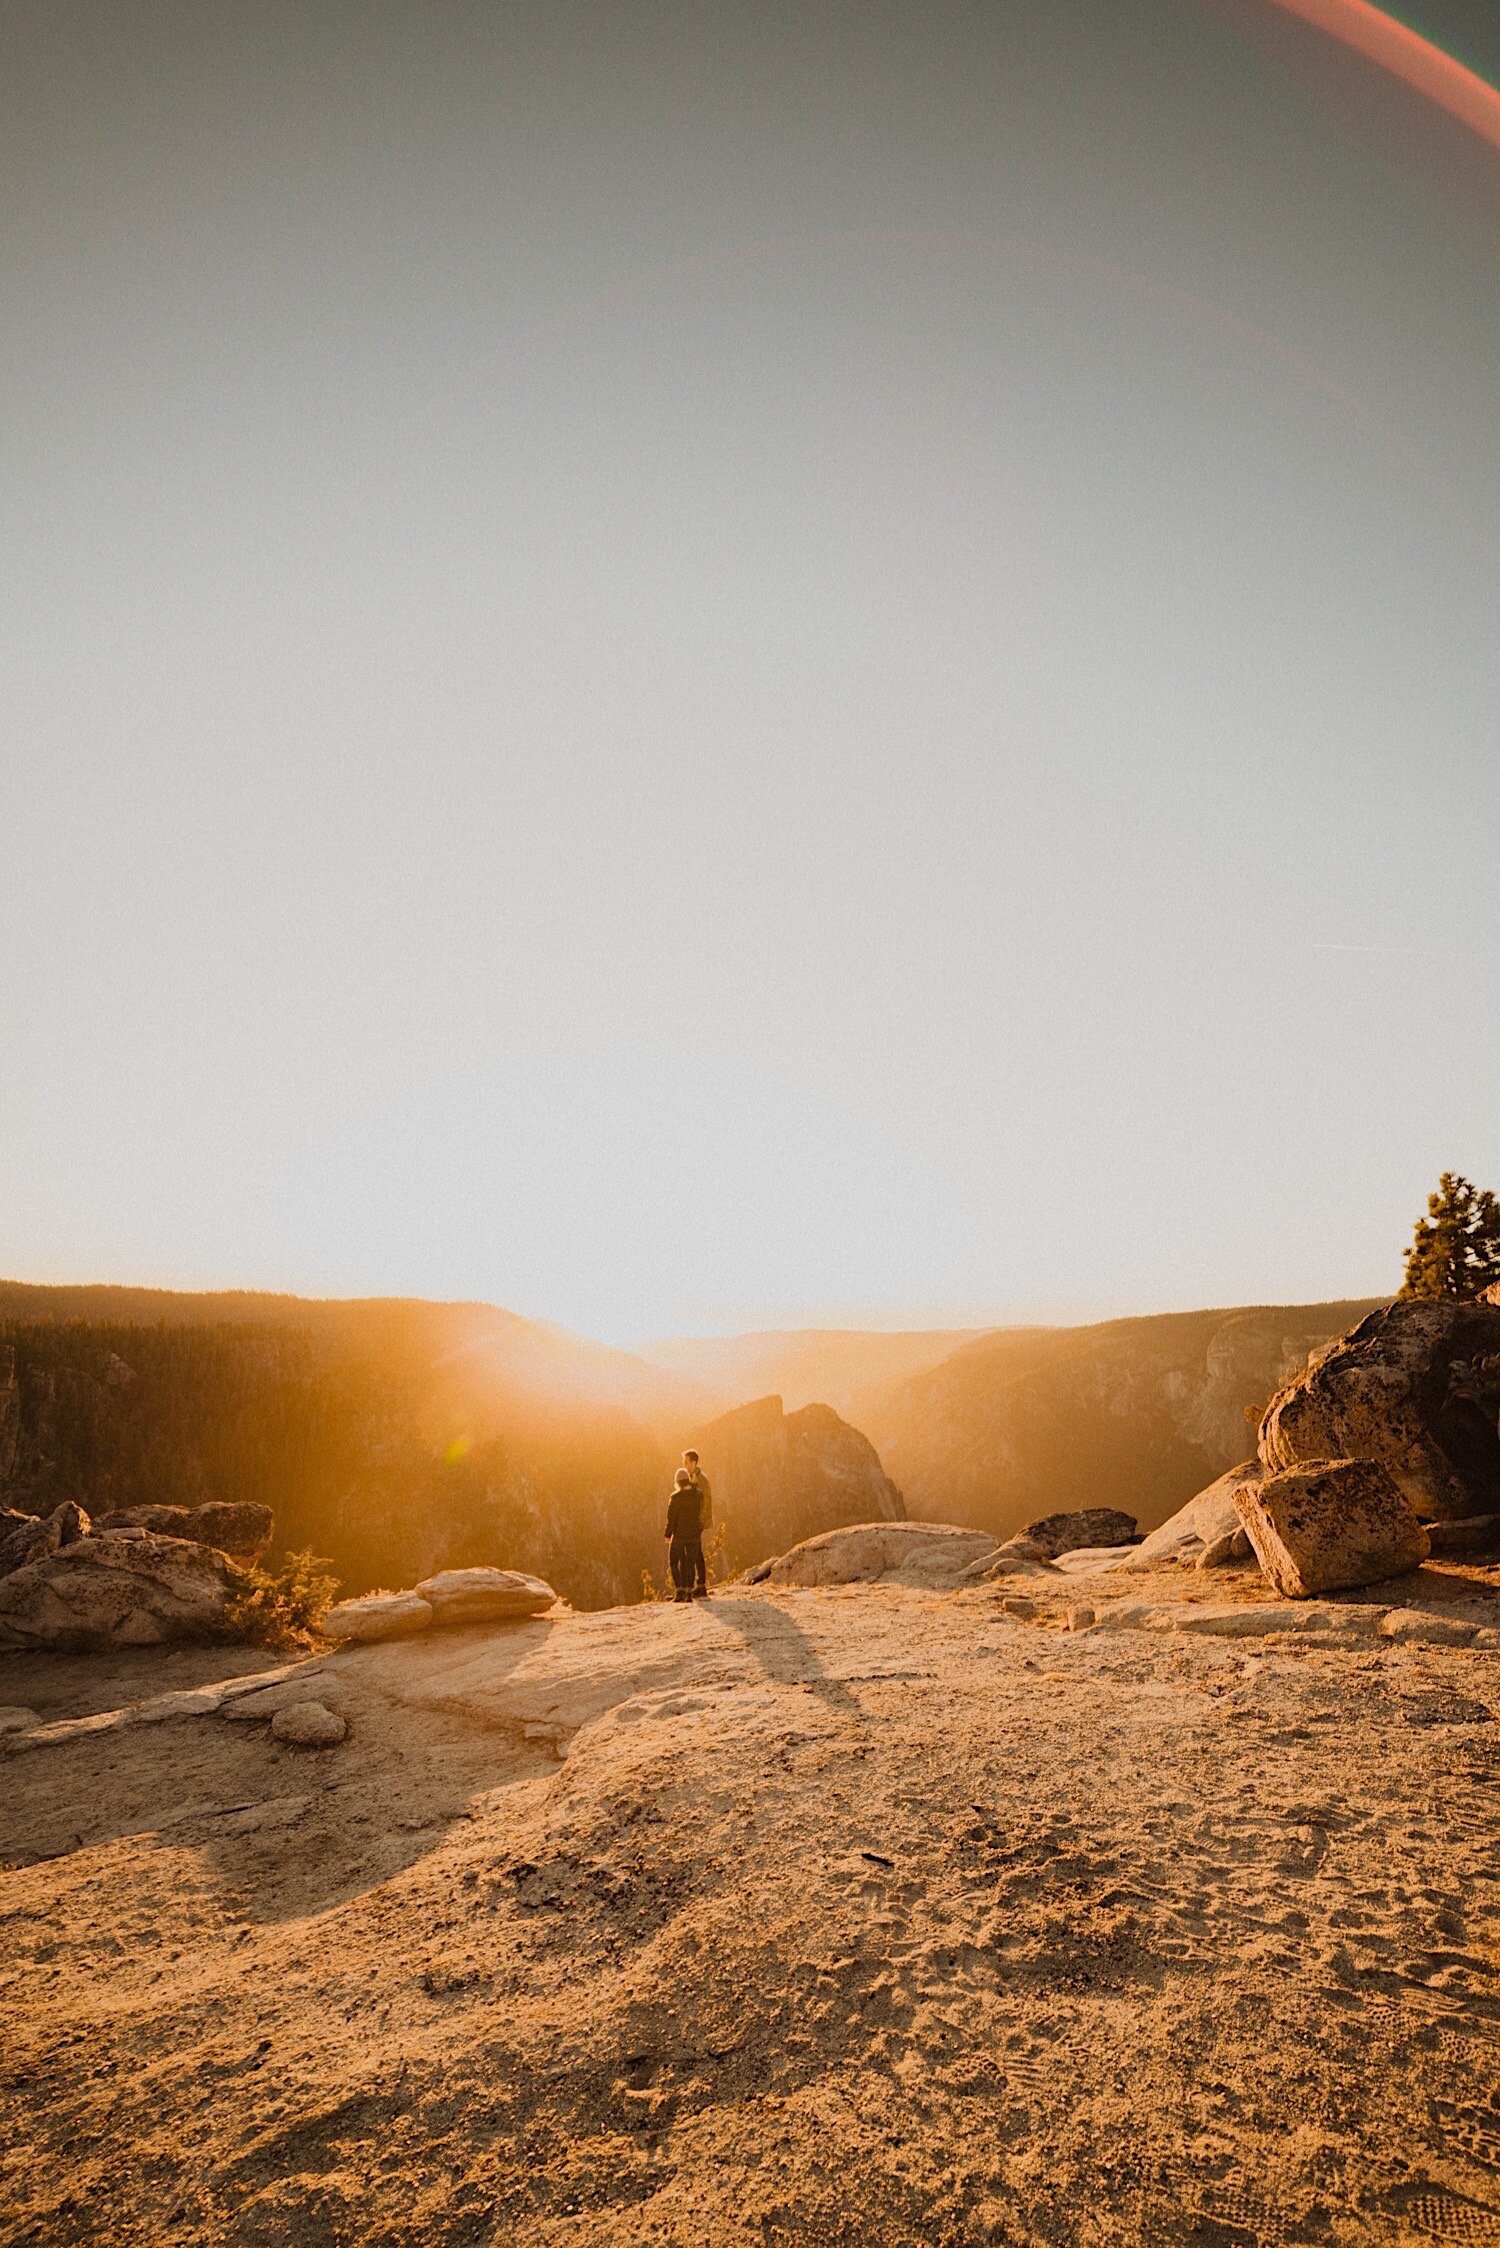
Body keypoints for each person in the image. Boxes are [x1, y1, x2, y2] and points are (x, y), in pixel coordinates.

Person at [665, 1468, 706, 1603]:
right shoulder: (698, 1494)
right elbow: (700, 1513)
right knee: (690, 1563)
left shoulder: (675, 1497)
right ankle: (688, 1593)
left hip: (679, 1536)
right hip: (694, 1535)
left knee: (673, 1561)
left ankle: (679, 1591)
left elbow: (671, 1519)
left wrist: (668, 1534)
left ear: (677, 1482)